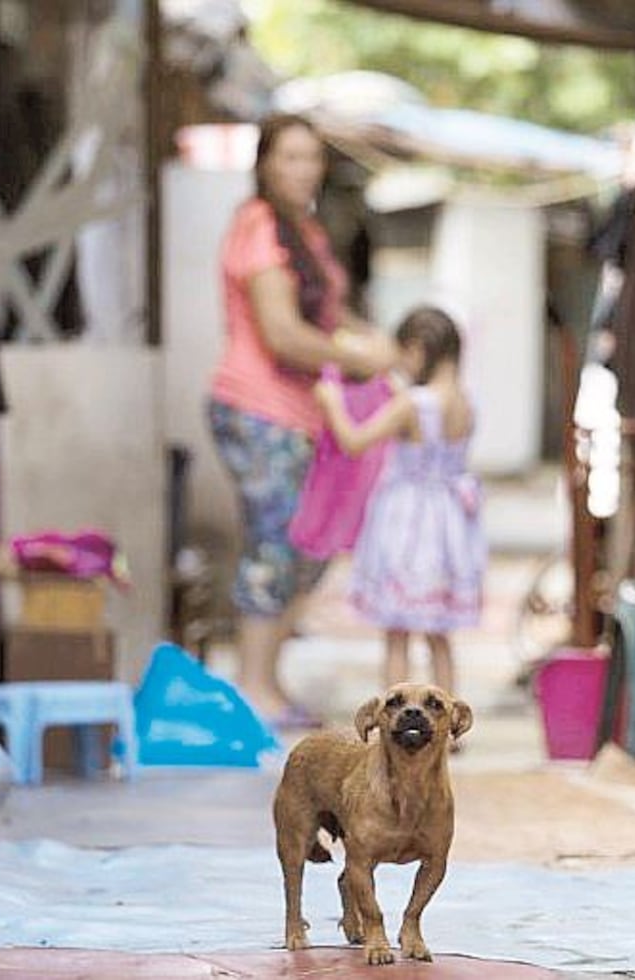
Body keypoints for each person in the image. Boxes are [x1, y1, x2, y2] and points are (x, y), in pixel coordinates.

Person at [207, 113, 393, 728]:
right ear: (263, 164)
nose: (302, 168)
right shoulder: (258, 226)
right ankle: (253, 688)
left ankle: (268, 680)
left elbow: (330, 321)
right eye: (289, 157)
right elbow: (284, 336)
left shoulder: (305, 231)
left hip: (304, 417)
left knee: (309, 547)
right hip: (256, 408)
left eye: (311, 157)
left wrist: (388, 347)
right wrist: (354, 354)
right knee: (275, 543)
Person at [315, 305, 486, 696]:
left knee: (398, 631)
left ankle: (394, 716)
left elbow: (354, 441)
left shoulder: (413, 404)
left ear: (418, 349)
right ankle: (449, 721)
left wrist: (331, 403)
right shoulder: (466, 401)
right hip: (451, 524)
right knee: (440, 634)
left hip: (408, 523)